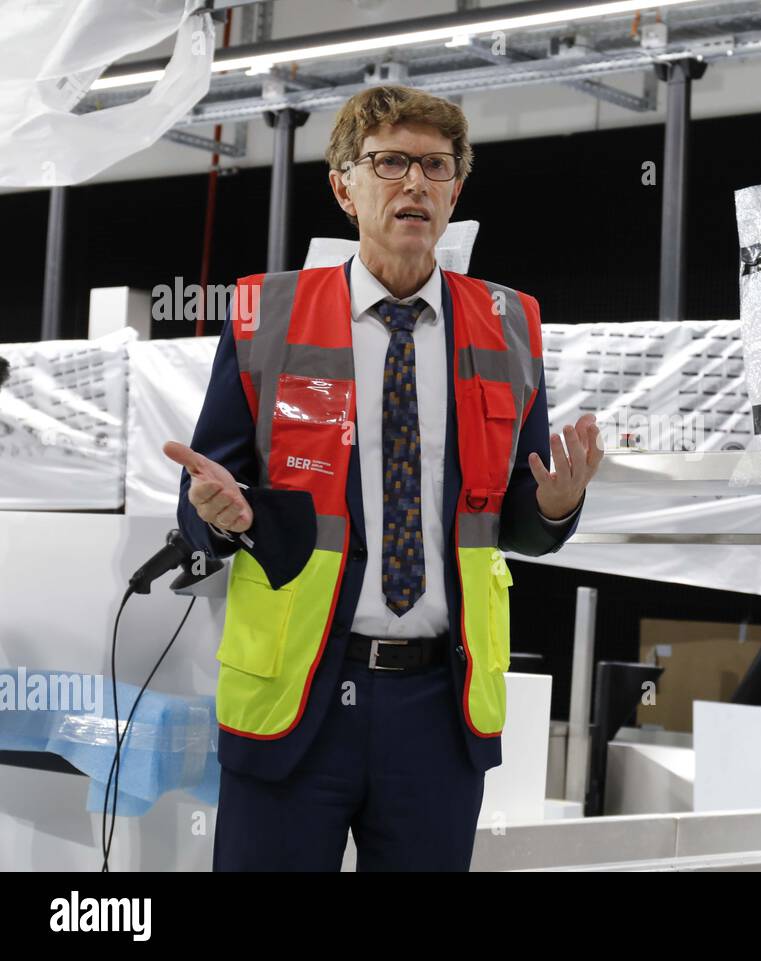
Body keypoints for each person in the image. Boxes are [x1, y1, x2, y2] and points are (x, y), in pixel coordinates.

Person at [163, 85, 601, 871]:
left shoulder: (509, 323)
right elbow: (205, 502)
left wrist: (559, 507)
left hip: (438, 713)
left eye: (436, 166)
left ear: (456, 189)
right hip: (298, 701)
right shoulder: (268, 316)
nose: (415, 184)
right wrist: (216, 516)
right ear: (344, 186)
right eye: (390, 162)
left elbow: (517, 521)